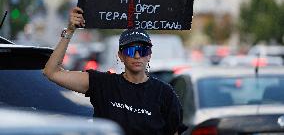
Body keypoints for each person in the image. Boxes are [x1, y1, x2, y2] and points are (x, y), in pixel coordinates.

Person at [43, 7, 184, 135]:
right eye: (130, 50)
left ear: (149, 55)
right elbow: (51, 72)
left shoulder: (165, 93)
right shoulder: (103, 84)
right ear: (120, 56)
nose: (137, 56)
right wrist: (70, 31)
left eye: (142, 50)